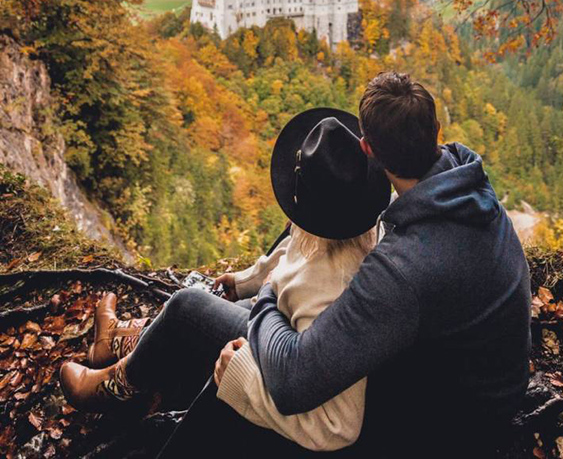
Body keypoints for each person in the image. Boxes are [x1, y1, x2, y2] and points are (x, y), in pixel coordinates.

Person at [216, 71, 532, 456]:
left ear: (366, 149)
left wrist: (266, 294)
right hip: (496, 391)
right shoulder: (468, 185)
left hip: (449, 429)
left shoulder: (403, 266)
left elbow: (292, 380)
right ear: (436, 129)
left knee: (200, 313)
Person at [58, 108, 391, 452]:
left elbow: (338, 426)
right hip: (278, 322)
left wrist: (243, 376)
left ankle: (116, 387)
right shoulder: (360, 216)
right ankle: (117, 343)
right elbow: (298, 252)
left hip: (279, 353)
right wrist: (248, 281)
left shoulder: (326, 290)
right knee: (208, 309)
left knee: (188, 307)